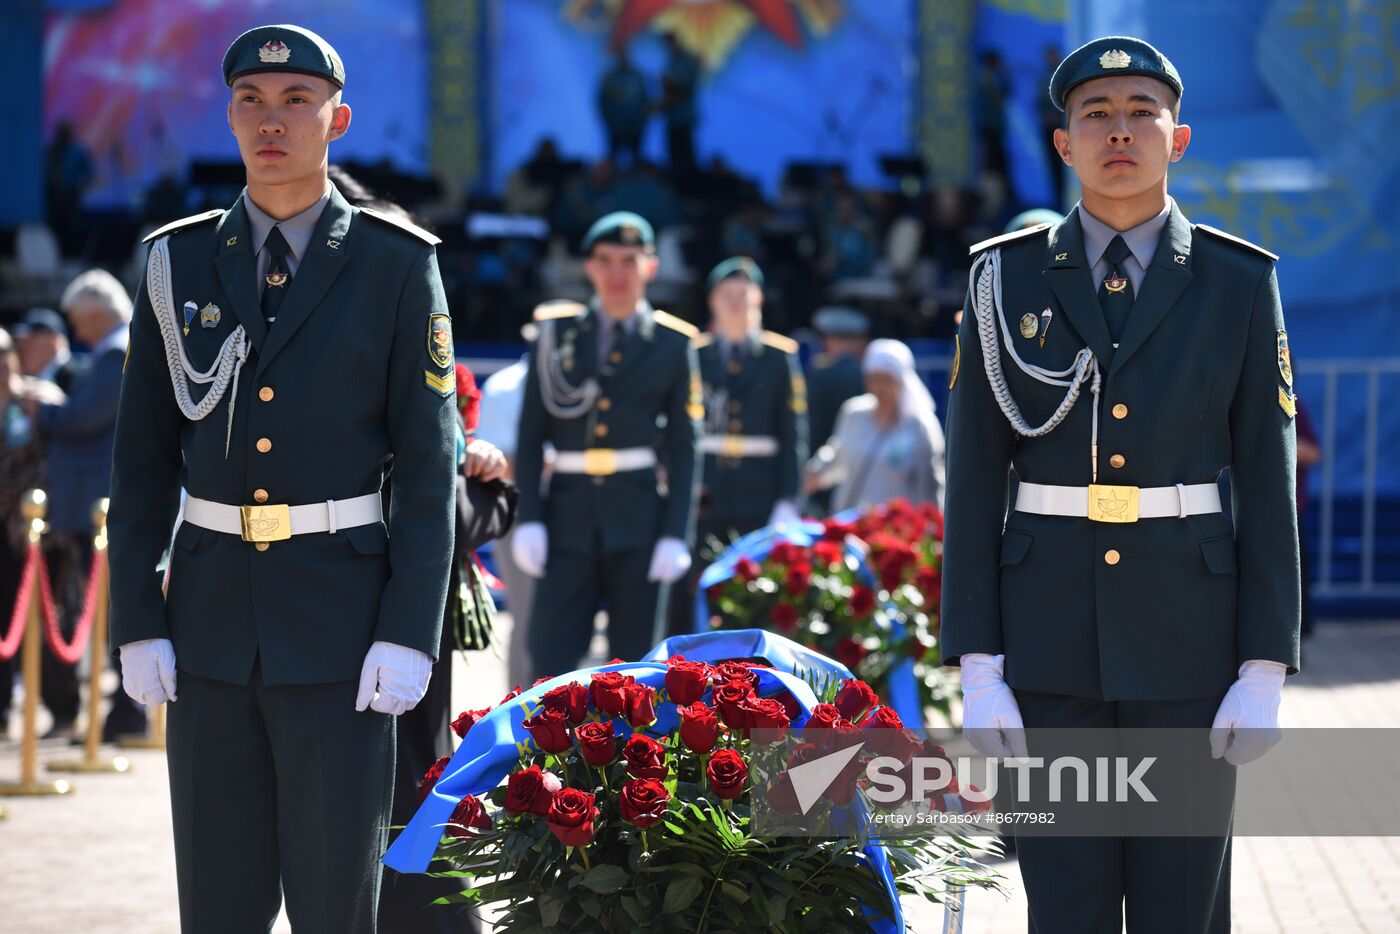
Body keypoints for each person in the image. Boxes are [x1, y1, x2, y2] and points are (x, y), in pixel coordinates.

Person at [941, 37, 1300, 933]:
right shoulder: (1002, 277)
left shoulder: (1238, 282)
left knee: (1183, 907)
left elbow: (1266, 476)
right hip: (1047, 639)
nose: (1120, 131)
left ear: (1179, 139)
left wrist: (1264, 664)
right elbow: (976, 481)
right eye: (1095, 114)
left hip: (1191, 642)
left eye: (1143, 110)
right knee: (1065, 905)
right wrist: (977, 664)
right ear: (1063, 144)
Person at [107, 25, 456, 934]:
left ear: (337, 119)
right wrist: (137, 619)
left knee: (336, 900)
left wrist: (408, 631)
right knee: (217, 901)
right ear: (228, 116)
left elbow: (428, 466)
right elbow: (141, 461)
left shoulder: (396, 262)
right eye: (253, 102)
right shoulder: (174, 260)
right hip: (210, 625)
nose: (274, 120)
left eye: (297, 100)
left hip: (342, 628)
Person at [512, 211, 699, 677]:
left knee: (636, 669)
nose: (617, 273)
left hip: (639, 521)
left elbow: (684, 446)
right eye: (605, 260)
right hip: (566, 519)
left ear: (651, 267)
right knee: (549, 661)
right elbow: (531, 436)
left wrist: (677, 531)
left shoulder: (674, 344)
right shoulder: (554, 336)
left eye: (629, 261)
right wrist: (530, 518)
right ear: (589, 267)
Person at [24, 270, 136, 741]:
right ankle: (117, 716)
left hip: (103, 507)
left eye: (76, 319)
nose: (74, 329)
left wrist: (41, 408)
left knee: (112, 614)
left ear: (95, 312)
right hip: (103, 505)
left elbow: (86, 418)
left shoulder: (115, 353)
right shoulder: (115, 351)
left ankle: (123, 715)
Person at [670, 257, 806, 635]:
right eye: (726, 295)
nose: (735, 303)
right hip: (706, 492)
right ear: (712, 301)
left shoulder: (780, 358)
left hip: (758, 494)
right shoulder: (695, 355)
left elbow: (794, 435)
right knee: (699, 590)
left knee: (756, 595)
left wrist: (788, 500)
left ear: (759, 300)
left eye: (744, 294)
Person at [0, 327, 62, 738]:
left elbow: (54, 461)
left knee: (35, 621)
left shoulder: (39, 399)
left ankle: (61, 706)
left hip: (31, 533)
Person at [472, 322, 540, 688]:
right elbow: (496, 461)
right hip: (519, 511)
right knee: (528, 617)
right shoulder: (506, 386)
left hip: (570, 510)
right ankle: (522, 713)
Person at [804, 338, 944, 512]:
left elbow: (931, 485)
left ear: (902, 380)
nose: (879, 388)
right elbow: (838, 455)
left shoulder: (920, 424)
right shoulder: (854, 412)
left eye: (886, 380)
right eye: (873, 379)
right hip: (853, 524)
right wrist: (813, 472)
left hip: (899, 530)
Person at [597, 48, 650, 168]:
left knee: (637, 159)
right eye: (620, 57)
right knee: (613, 159)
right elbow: (602, 101)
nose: (623, 60)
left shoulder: (638, 76)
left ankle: (636, 182)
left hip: (635, 125)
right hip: (615, 126)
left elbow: (646, 101)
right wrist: (608, 120)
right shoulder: (610, 78)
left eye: (626, 56)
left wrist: (643, 120)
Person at [660, 33, 701, 178]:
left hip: (684, 117)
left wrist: (670, 86)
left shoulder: (688, 61)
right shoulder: (670, 61)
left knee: (687, 158)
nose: (669, 47)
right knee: (674, 158)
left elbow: (684, 88)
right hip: (672, 117)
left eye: (670, 43)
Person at [12, 308, 73, 390]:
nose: (22, 348)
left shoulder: (76, 375)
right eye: (20, 343)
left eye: (29, 341)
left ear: (53, 339)